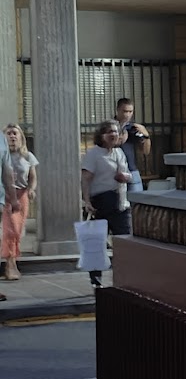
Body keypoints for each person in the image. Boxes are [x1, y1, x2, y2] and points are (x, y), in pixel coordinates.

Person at [80, 120, 132, 288]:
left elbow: (128, 174)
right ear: (101, 135)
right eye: (109, 131)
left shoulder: (119, 152)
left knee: (123, 241)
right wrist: (87, 201)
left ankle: (123, 279)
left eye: (116, 131)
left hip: (120, 202)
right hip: (101, 201)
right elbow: (86, 179)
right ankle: (96, 281)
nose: (113, 135)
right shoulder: (94, 154)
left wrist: (125, 177)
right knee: (97, 242)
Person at [1, 124, 38, 281]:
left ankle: (13, 260)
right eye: (8, 133)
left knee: (17, 231)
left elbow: (32, 177)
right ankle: (10, 265)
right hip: (6, 195)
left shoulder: (27, 156)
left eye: (15, 133)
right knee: (9, 230)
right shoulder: (2, 155)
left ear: (21, 137)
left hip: (22, 195)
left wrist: (31, 189)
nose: (12, 136)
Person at [115, 97, 150, 193]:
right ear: (118, 110)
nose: (127, 115)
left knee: (137, 199)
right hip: (113, 170)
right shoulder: (110, 127)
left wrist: (146, 135)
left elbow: (146, 151)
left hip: (131, 170)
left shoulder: (133, 128)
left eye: (130, 112)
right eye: (125, 111)